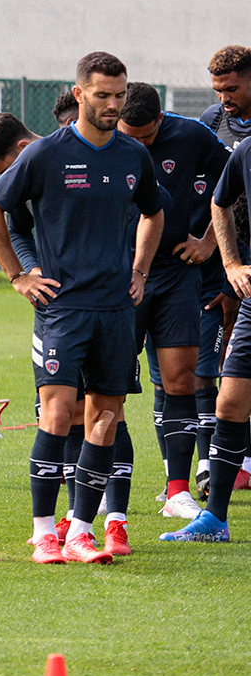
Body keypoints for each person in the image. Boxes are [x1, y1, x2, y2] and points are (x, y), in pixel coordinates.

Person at [0, 51, 164, 564]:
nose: (112, 104)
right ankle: (44, 534)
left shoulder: (133, 155)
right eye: (102, 95)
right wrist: (19, 275)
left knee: (106, 416)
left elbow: (154, 211)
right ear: (79, 94)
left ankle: (82, 530)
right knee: (58, 413)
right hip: (63, 308)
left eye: (119, 95)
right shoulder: (45, 155)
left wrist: (140, 270)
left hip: (117, 309)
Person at [115, 83, 228, 528]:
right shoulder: (100, 143)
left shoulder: (193, 137)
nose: (139, 146)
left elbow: (233, 181)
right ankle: (104, 486)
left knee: (181, 379)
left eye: (147, 137)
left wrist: (209, 242)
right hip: (117, 278)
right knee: (111, 384)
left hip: (177, 273)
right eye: (131, 136)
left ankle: (177, 492)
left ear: (161, 121)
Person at [162, 119, 251, 543]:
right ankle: (215, 519)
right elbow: (221, 202)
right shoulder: (246, 151)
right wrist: (231, 263)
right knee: (229, 403)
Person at [198, 44, 251, 496]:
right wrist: (227, 261)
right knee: (226, 377)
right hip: (238, 264)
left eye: (231, 88)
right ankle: (219, 496)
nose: (224, 98)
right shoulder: (212, 125)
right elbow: (216, 198)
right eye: (217, 89)